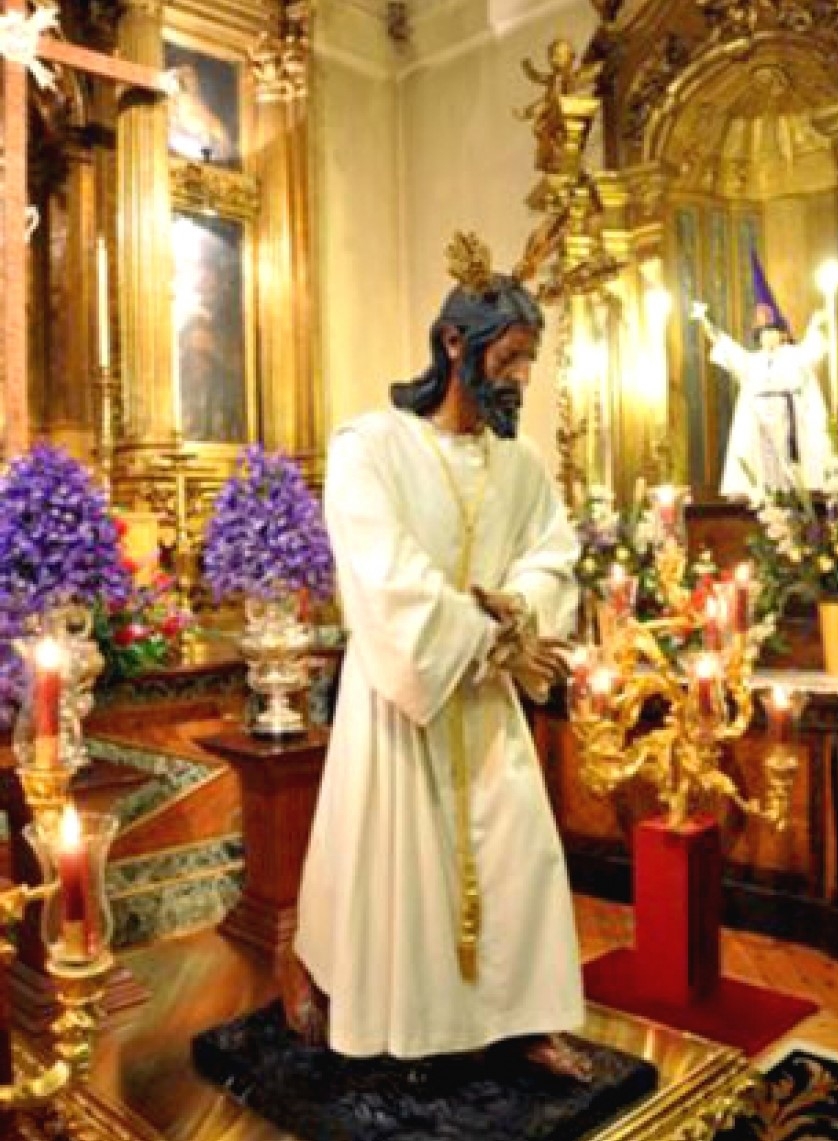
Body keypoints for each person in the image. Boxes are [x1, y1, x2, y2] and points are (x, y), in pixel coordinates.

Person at [281, 232, 591, 1081]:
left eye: (532, 359)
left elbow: (552, 554)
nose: (524, 376)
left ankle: (522, 1015)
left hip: (488, 706)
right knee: (392, 866)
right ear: (455, 343)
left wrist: (522, 608)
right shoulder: (369, 446)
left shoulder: (521, 468)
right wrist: (476, 633)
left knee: (516, 854)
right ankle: (378, 1004)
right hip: (401, 703)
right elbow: (382, 572)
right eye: (513, 356)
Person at [691, 251, 834, 499]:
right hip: (758, 420)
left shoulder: (794, 355)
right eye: (763, 333)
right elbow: (726, 347)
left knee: (792, 469)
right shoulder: (752, 361)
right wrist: (704, 320)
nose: (768, 336)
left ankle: (797, 495)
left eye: (773, 331)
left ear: (783, 334)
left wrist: (817, 323)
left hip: (789, 419)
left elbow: (813, 347)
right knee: (761, 468)